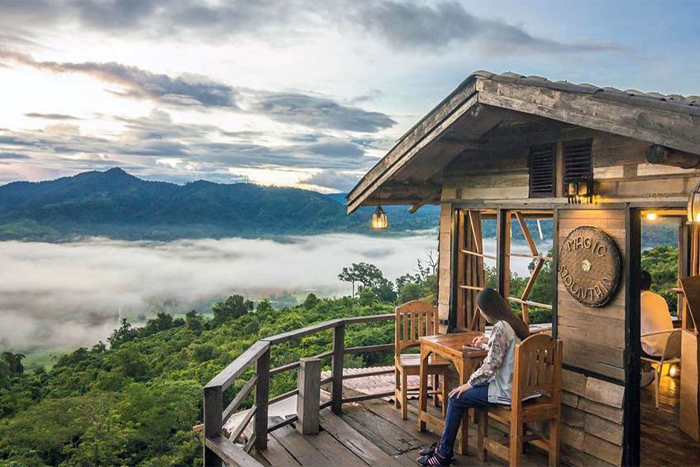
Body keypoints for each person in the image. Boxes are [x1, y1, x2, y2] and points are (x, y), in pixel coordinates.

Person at [416, 287, 530, 466]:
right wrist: (487, 341)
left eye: (481, 309)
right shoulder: (513, 323)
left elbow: (490, 367)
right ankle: (441, 447)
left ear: (486, 309)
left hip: (507, 391)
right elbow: (504, 352)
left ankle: (443, 455)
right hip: (522, 387)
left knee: (455, 397)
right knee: (460, 394)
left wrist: (468, 384)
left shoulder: (500, 327)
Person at [640, 270, 673, 387]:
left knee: (626, 343)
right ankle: (646, 371)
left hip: (652, 351)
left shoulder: (636, 302)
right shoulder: (661, 299)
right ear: (650, 284)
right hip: (671, 349)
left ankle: (641, 375)